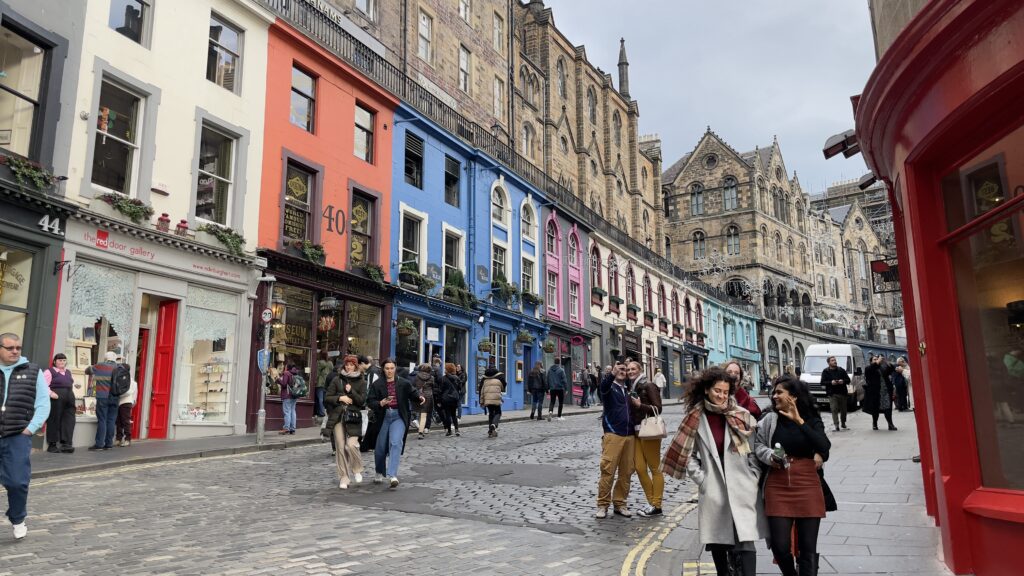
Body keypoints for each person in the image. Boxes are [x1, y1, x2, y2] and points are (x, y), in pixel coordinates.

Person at [662, 367, 763, 576]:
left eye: (725, 392)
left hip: (742, 485)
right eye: (718, 391)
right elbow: (688, 454)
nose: (722, 396)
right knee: (719, 542)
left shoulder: (740, 415)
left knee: (745, 542)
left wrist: (754, 476)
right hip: (715, 486)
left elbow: (754, 449)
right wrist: (702, 479)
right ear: (707, 390)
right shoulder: (696, 418)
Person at [753, 376, 831, 576]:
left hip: (807, 483)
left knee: (807, 548)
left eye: (779, 392)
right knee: (780, 546)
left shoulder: (811, 418)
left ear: (793, 397)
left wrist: (799, 421)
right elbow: (758, 446)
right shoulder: (769, 419)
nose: (774, 395)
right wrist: (771, 456)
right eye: (774, 392)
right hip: (777, 485)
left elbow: (824, 447)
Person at [0, 332, 50, 540]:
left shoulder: (32, 370)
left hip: (17, 435)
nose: (15, 351)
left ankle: (17, 518)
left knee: (17, 482)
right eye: (10, 348)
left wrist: (30, 428)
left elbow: (43, 403)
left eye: (18, 348)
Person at [366, 358, 422, 488]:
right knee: (380, 449)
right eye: (387, 368)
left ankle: (393, 475)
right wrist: (380, 403)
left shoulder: (403, 383)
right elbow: (370, 401)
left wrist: (420, 397)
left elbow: (413, 393)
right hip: (383, 417)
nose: (389, 371)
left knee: (396, 443)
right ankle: (379, 471)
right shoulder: (377, 384)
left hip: (399, 416)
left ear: (395, 368)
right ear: (383, 369)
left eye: (392, 368)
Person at [595, 359, 639, 518]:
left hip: (629, 435)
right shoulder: (609, 388)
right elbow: (603, 386)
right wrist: (612, 372)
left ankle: (620, 503)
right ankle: (602, 505)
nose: (623, 371)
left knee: (626, 472)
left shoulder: (629, 390)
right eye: (620, 369)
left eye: (625, 370)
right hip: (613, 434)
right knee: (608, 470)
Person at [629, 361, 665, 518]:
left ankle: (656, 505)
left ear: (640, 370)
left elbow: (658, 408)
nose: (631, 371)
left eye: (633, 369)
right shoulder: (632, 387)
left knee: (655, 468)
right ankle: (652, 503)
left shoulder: (649, 385)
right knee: (640, 468)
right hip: (636, 433)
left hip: (649, 431)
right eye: (628, 369)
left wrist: (640, 405)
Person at [325, 354, 366, 489]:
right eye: (347, 365)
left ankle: (357, 469)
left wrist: (351, 392)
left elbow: (362, 401)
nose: (348, 367)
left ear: (356, 366)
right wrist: (340, 398)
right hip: (338, 416)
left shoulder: (361, 382)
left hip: (353, 417)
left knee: (351, 445)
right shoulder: (337, 380)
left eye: (351, 365)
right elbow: (327, 397)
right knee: (340, 447)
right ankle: (344, 477)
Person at [85, 351, 120, 450]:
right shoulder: (119, 368)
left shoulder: (100, 366)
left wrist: (94, 365)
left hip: (102, 397)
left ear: (105, 358)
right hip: (115, 397)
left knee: (102, 420)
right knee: (111, 421)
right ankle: (109, 444)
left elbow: (87, 371)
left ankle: (99, 444)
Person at [43, 353, 76, 453]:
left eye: (64, 360)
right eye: (59, 360)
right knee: (54, 419)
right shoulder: (49, 371)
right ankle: (52, 445)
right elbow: (43, 385)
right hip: (56, 398)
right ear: (55, 361)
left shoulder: (68, 372)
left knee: (69, 420)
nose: (62, 362)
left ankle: (66, 444)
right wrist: (51, 393)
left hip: (69, 397)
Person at [863, 355, 896, 431]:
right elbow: (870, 371)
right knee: (875, 409)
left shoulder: (882, 368)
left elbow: (891, 370)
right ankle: (875, 423)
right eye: (874, 359)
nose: (876, 360)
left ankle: (890, 424)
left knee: (888, 407)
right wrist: (877, 362)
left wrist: (886, 363)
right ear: (871, 362)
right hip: (875, 392)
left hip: (885, 391)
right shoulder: (868, 368)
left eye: (877, 359)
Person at [820, 356, 851, 431]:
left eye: (835, 360)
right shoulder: (825, 371)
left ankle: (843, 423)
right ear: (829, 362)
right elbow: (822, 382)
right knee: (834, 409)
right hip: (832, 394)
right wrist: (831, 382)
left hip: (842, 393)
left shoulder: (841, 370)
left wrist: (842, 381)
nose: (835, 361)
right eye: (832, 360)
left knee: (843, 410)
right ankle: (836, 425)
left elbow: (848, 380)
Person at [114, 359, 137, 447]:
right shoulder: (120, 378)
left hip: (126, 402)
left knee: (125, 421)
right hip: (119, 402)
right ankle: (118, 438)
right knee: (118, 421)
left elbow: (130, 392)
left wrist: (118, 394)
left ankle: (128, 439)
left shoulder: (131, 381)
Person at [478, 365, 506, 437]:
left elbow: (481, 389)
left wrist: (481, 401)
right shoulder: (499, 376)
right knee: (498, 412)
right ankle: (494, 425)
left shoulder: (484, 378)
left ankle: (490, 431)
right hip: (496, 397)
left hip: (487, 398)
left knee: (491, 414)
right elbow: (504, 385)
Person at [412, 364, 435, 439]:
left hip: (419, 396)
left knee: (419, 413)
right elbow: (433, 387)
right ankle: (421, 432)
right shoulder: (431, 378)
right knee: (424, 415)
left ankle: (420, 428)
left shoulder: (416, 377)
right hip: (428, 397)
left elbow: (414, 386)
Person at [439, 363, 461, 436]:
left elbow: (441, 389)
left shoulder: (443, 378)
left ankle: (449, 431)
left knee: (448, 415)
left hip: (446, 398)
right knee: (454, 414)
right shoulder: (456, 378)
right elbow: (459, 388)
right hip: (454, 398)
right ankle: (457, 430)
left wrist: (439, 399)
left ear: (447, 370)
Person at [278, 363, 299, 435]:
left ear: (287, 367)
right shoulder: (295, 373)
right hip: (294, 395)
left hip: (287, 395)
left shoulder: (287, 373)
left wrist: (278, 379)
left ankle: (286, 428)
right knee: (293, 411)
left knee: (287, 412)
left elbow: (284, 384)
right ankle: (292, 429)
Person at [315, 351, 332, 420]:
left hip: (320, 383)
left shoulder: (320, 362)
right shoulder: (330, 363)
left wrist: (314, 380)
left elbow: (317, 373)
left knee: (320, 399)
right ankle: (325, 411)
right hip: (328, 383)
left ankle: (321, 413)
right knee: (325, 399)